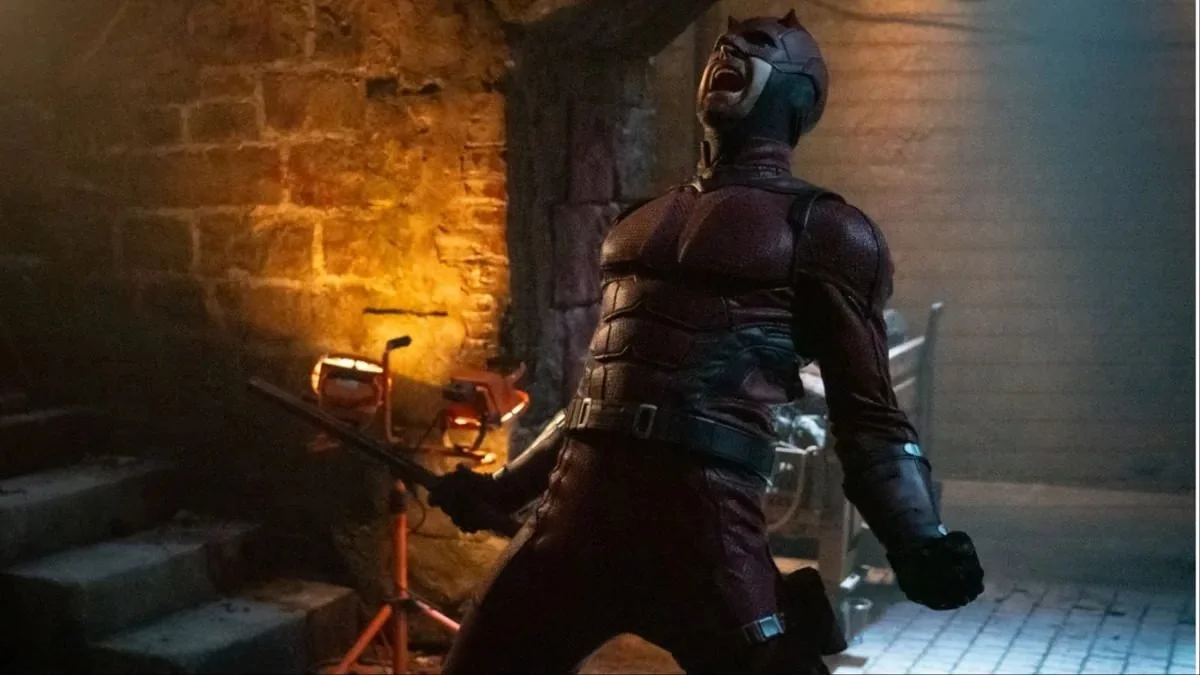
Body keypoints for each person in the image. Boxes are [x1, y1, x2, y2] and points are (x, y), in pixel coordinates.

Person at [429, 11, 984, 674]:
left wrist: (918, 539)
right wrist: (503, 491)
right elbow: (598, 402)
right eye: (724, 45)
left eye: (759, 46)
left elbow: (869, 417)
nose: (730, 52)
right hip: (573, 519)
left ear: (800, 93)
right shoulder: (640, 222)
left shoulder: (827, 231)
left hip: (707, 530)